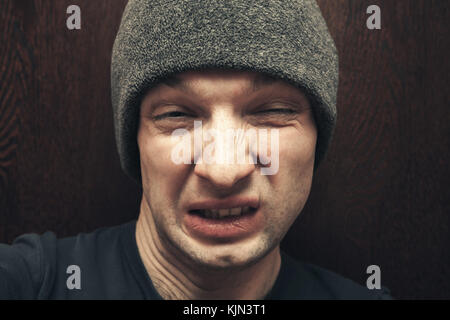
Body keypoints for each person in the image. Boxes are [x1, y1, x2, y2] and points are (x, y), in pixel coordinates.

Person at [0, 0, 392, 299]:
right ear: (134, 140)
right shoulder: (32, 284)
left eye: (271, 112)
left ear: (316, 139)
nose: (224, 171)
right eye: (177, 115)